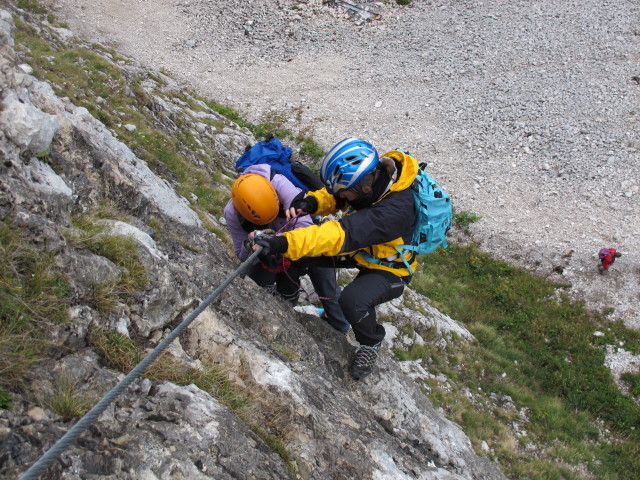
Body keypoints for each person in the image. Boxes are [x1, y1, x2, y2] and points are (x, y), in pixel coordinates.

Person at [250, 138, 419, 380]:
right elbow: (338, 197)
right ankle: (286, 297)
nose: (342, 197)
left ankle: (371, 342)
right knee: (301, 256)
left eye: (345, 192)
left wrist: (284, 242)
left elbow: (337, 236)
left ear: (365, 188)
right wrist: (311, 202)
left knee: (353, 301)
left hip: (390, 267)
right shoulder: (374, 180)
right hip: (367, 250)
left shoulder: (393, 212)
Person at [224, 163, 349, 333]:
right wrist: (250, 245)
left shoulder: (281, 185)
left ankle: (340, 326)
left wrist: (277, 242)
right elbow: (241, 255)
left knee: (325, 282)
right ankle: (287, 308)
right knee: (255, 278)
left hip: (306, 239)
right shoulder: (232, 213)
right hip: (273, 246)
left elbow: (305, 227)